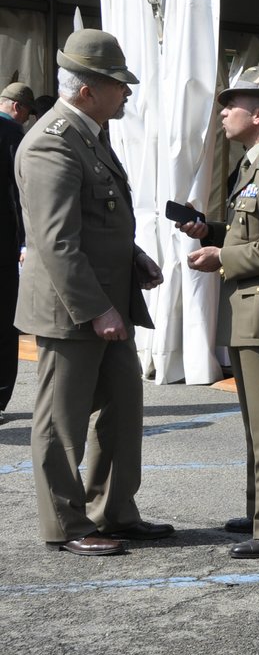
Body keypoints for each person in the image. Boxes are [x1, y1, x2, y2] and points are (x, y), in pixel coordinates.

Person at [16, 30, 168, 555]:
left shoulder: (90, 133)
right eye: (117, 85)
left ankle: (114, 512)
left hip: (107, 302)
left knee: (122, 410)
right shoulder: (52, 141)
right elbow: (57, 241)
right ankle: (66, 524)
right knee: (61, 421)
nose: (126, 93)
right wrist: (98, 308)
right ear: (86, 89)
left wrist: (133, 257)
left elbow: (99, 219)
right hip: (74, 309)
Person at [179, 48, 259, 559]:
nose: (222, 113)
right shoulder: (253, 165)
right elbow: (250, 231)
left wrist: (221, 256)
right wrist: (211, 231)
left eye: (230, 106)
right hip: (250, 310)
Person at [0, 82, 30, 421]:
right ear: (19, 109)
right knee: (4, 326)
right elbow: (19, 193)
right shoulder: (12, 135)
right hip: (3, 247)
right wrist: (26, 241)